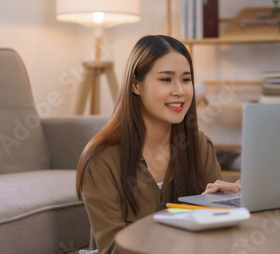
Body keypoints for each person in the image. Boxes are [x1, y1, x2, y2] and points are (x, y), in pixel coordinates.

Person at [76, 35, 241, 254]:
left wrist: (227, 203)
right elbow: (114, 249)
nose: (180, 91)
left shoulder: (200, 146)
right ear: (135, 85)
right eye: (166, 80)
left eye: (185, 79)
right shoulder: (101, 160)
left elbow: (217, 238)